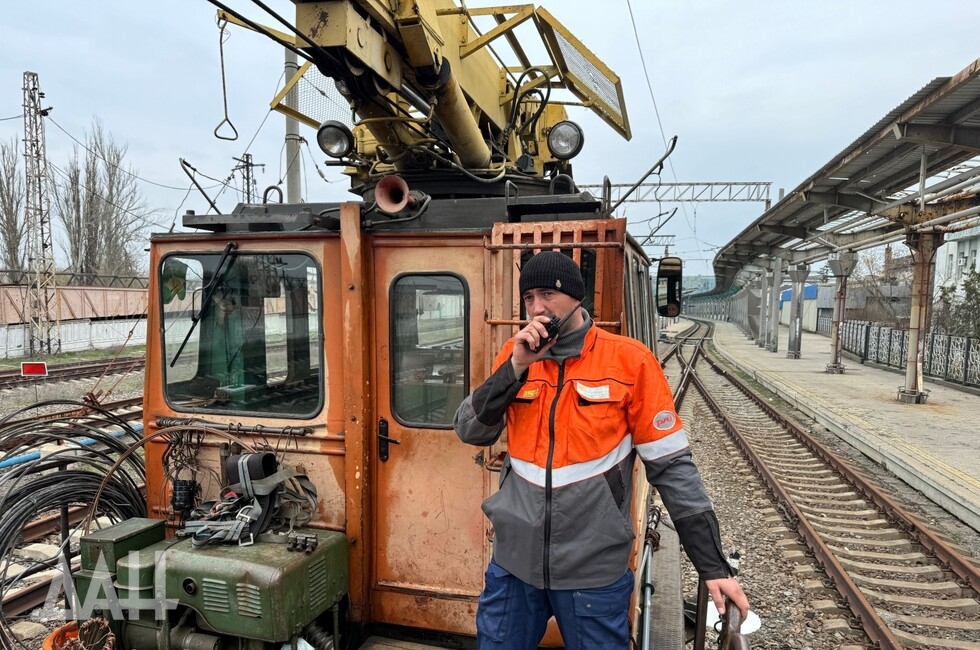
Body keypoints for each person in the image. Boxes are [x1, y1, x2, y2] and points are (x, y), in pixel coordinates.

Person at [454, 251, 749, 649]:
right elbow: (471, 431)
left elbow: (673, 468)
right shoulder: (516, 355)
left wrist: (712, 566)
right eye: (528, 298)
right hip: (514, 567)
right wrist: (516, 367)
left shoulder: (631, 362)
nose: (537, 308)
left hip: (592, 573)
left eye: (546, 294)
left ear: (575, 297)